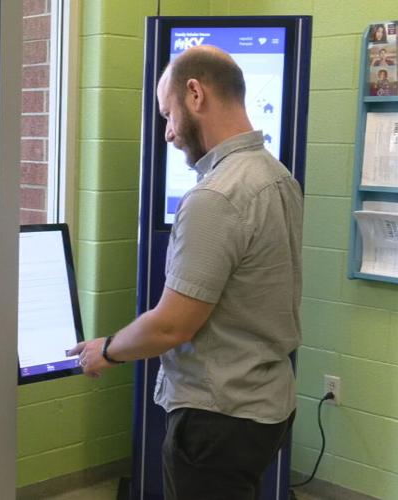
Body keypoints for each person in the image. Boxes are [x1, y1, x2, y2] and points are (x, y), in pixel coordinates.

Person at [69, 45, 303, 500]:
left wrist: (108, 350)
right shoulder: (277, 176)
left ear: (195, 94)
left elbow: (174, 324)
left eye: (167, 114)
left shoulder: (214, 196)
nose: (169, 133)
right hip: (268, 405)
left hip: (218, 418)